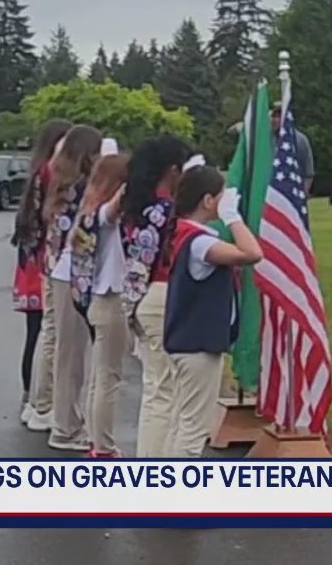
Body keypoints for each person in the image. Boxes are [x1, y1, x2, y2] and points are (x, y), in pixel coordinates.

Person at [162, 166, 262, 458]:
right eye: (221, 196)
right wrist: (233, 217)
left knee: (181, 422)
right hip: (198, 345)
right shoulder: (200, 242)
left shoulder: (183, 233)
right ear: (207, 201)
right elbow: (252, 253)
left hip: (186, 340)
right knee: (194, 429)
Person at [120, 136, 192, 458]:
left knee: (155, 386)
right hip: (162, 293)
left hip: (140, 295)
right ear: (173, 171)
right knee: (165, 390)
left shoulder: (136, 205)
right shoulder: (165, 211)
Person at [42, 124, 103, 451]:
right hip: (73, 274)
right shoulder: (81, 190)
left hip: (60, 271)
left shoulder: (61, 185)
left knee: (68, 352)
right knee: (71, 355)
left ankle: (65, 419)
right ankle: (65, 427)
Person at [67, 147, 129, 458]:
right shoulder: (104, 214)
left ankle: (96, 439)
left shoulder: (87, 211)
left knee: (99, 375)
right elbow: (114, 210)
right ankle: (103, 445)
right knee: (108, 376)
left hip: (96, 298)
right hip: (110, 296)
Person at [13, 118, 72, 429]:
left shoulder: (36, 171)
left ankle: (30, 396)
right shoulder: (53, 173)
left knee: (36, 332)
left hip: (31, 261)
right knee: (49, 334)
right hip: (46, 260)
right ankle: (40, 398)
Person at [271, 102, 314, 194]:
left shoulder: (300, 140)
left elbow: (308, 171)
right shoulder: (267, 140)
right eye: (273, 116)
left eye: (278, 117)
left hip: (293, 191)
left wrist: (304, 192)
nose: (275, 120)